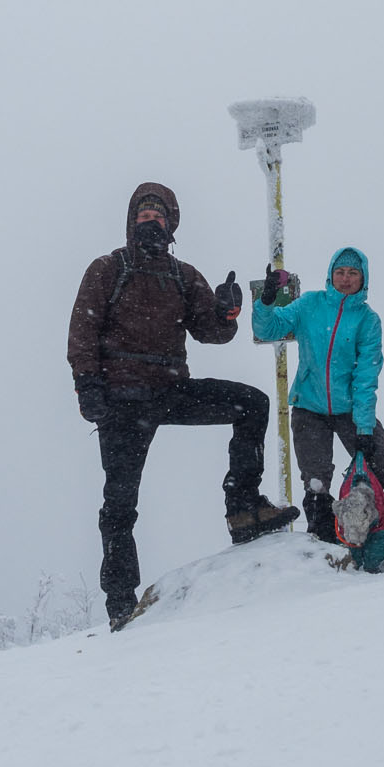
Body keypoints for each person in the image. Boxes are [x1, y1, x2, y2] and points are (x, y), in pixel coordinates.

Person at [68, 183, 299, 629]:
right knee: (119, 503)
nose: (150, 221)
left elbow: (211, 332)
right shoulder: (107, 269)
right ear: (131, 220)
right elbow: (82, 331)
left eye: (158, 215)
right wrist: (87, 386)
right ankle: (120, 602)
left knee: (251, 403)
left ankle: (244, 509)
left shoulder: (181, 275)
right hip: (121, 399)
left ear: (171, 223)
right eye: (143, 214)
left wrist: (228, 311)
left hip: (172, 389)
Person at [251, 246, 384, 551]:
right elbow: (268, 328)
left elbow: (366, 379)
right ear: (330, 275)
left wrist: (363, 428)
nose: (345, 279)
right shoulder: (309, 304)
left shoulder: (367, 320)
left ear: (364, 279)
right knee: (316, 481)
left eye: (353, 273)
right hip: (309, 407)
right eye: (340, 272)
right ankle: (326, 542)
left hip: (352, 410)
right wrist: (266, 301)